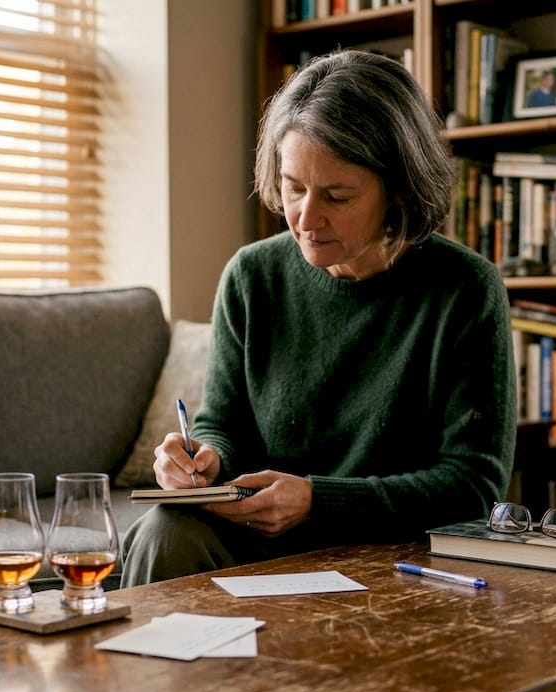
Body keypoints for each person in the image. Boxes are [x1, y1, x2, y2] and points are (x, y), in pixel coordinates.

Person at [120, 49, 517, 586]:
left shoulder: (464, 289)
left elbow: (474, 485)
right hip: (262, 539)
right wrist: (206, 458)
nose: (305, 217)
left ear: (396, 189)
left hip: (393, 550)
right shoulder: (251, 276)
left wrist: (319, 501)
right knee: (165, 529)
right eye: (293, 187)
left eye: (337, 195)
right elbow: (225, 421)